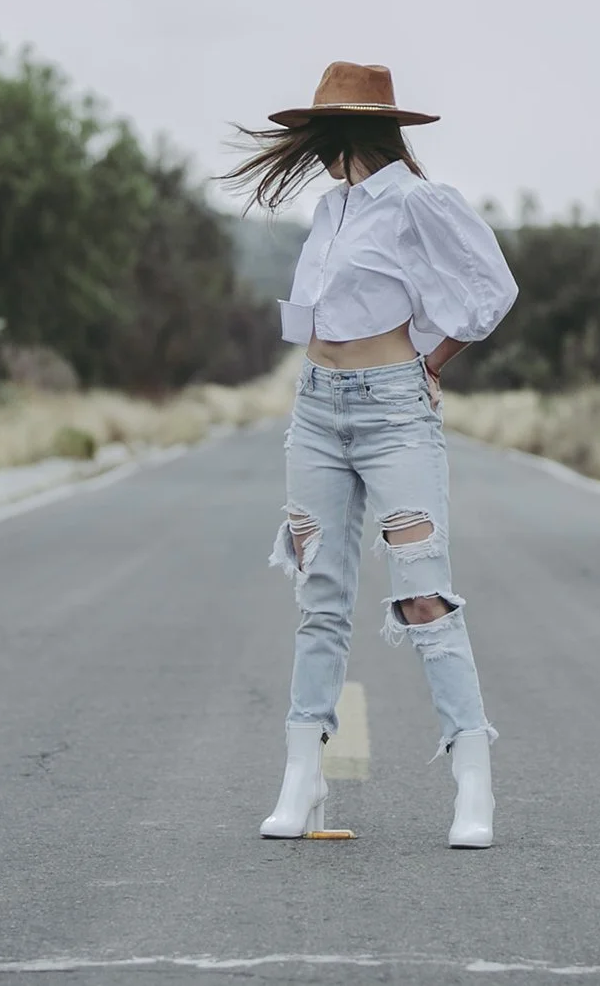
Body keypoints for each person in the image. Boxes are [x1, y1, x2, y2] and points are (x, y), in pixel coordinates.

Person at [222, 61, 518, 848]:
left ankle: (473, 780)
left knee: (423, 594)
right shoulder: (332, 208)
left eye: (320, 132)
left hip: (393, 411)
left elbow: (493, 287)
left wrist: (433, 361)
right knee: (319, 595)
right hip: (316, 408)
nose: (311, 149)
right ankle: (302, 774)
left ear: (346, 132)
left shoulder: (418, 201)